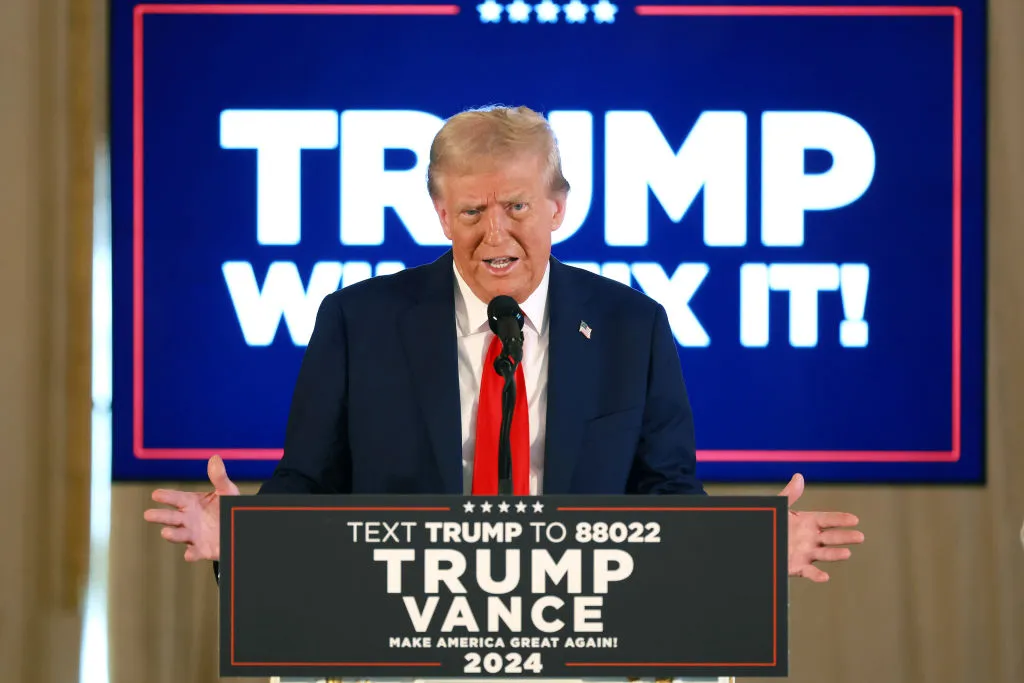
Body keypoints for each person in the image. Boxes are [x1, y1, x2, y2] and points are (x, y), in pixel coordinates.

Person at [145, 105, 863, 583]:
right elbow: (309, 487)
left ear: (558, 206)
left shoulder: (631, 327)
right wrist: (241, 540)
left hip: (581, 642)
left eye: (517, 206)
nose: (494, 233)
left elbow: (665, 498)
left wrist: (751, 551)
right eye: (471, 210)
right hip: (405, 642)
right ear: (438, 211)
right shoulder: (356, 322)